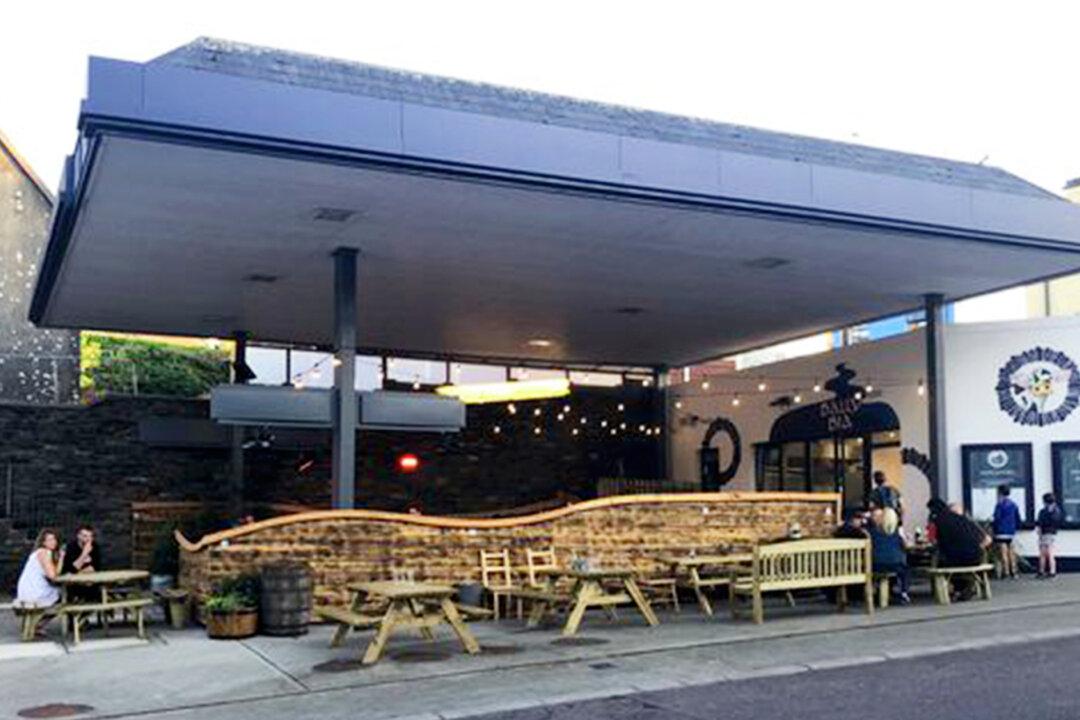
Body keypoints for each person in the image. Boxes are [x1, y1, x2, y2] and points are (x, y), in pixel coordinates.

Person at [926, 498, 990, 600]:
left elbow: (935, 541)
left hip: (956, 560)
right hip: (975, 558)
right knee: (955, 557)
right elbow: (984, 538)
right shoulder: (962, 519)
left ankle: (954, 590)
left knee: (942, 564)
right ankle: (963, 589)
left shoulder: (938, 520)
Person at [15, 529, 64, 636]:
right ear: (43, 542)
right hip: (34, 591)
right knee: (64, 597)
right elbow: (53, 576)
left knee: (60, 594)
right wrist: (61, 559)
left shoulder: (41, 553)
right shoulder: (43, 553)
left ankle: (37, 624)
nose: (53, 542)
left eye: (54, 539)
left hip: (28, 589)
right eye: (49, 540)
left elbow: (54, 573)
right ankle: (38, 624)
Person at [868, 507, 911, 604]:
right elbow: (904, 546)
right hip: (895, 564)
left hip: (876, 564)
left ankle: (879, 591)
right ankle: (904, 592)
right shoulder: (896, 533)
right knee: (905, 569)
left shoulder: (872, 532)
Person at [61, 524, 102, 602]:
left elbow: (96, 568)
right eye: (85, 536)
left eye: (90, 536)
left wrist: (81, 571)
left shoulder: (95, 547)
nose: (88, 539)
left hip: (90, 583)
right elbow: (70, 570)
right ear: (78, 536)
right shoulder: (71, 548)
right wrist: (84, 554)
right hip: (73, 584)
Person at [991, 485, 1022, 579]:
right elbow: (1018, 518)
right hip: (1011, 532)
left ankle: (1006, 572)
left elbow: (997, 518)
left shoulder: (999, 505)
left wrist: (994, 528)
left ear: (1000, 493)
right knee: (1011, 552)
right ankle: (1014, 571)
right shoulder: (1014, 504)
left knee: (1003, 552)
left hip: (1001, 532)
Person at [1036, 493, 1063, 579]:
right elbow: (1058, 521)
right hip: (1052, 533)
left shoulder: (1043, 511)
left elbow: (1039, 524)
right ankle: (1052, 571)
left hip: (1044, 533)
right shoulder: (1057, 511)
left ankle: (1041, 571)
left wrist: (1039, 534)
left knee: (1042, 553)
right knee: (1051, 552)